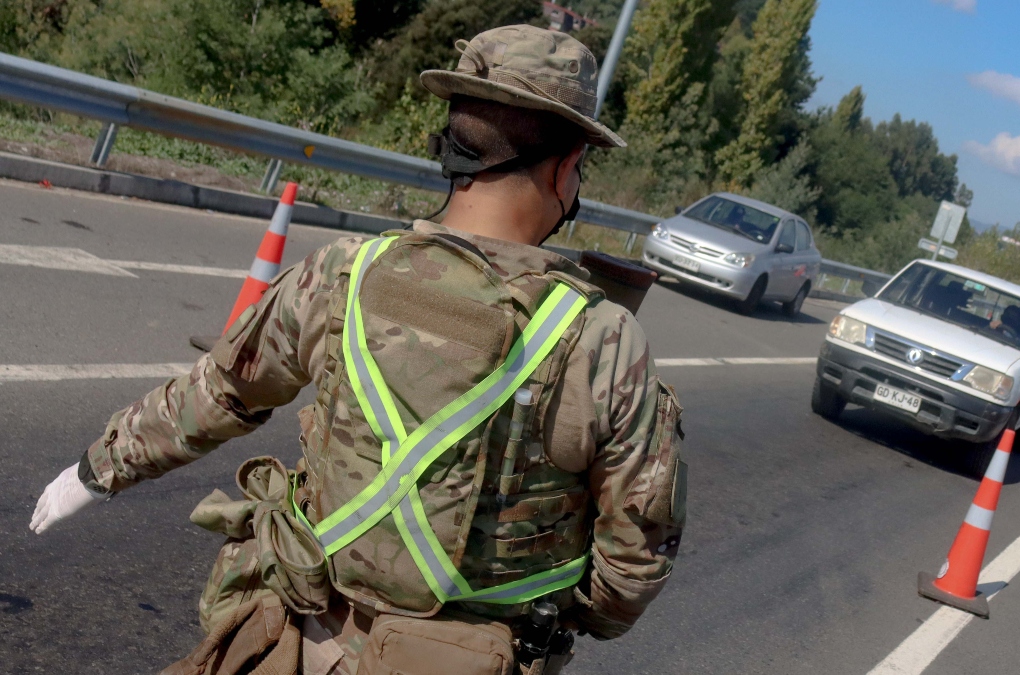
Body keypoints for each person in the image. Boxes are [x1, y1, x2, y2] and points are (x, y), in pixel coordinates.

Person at [29, 25, 686, 674]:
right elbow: (631, 566)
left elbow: (219, 394)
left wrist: (97, 470)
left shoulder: (343, 273)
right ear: (567, 168)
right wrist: (566, 612)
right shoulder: (602, 339)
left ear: (453, 149)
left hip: (305, 643)